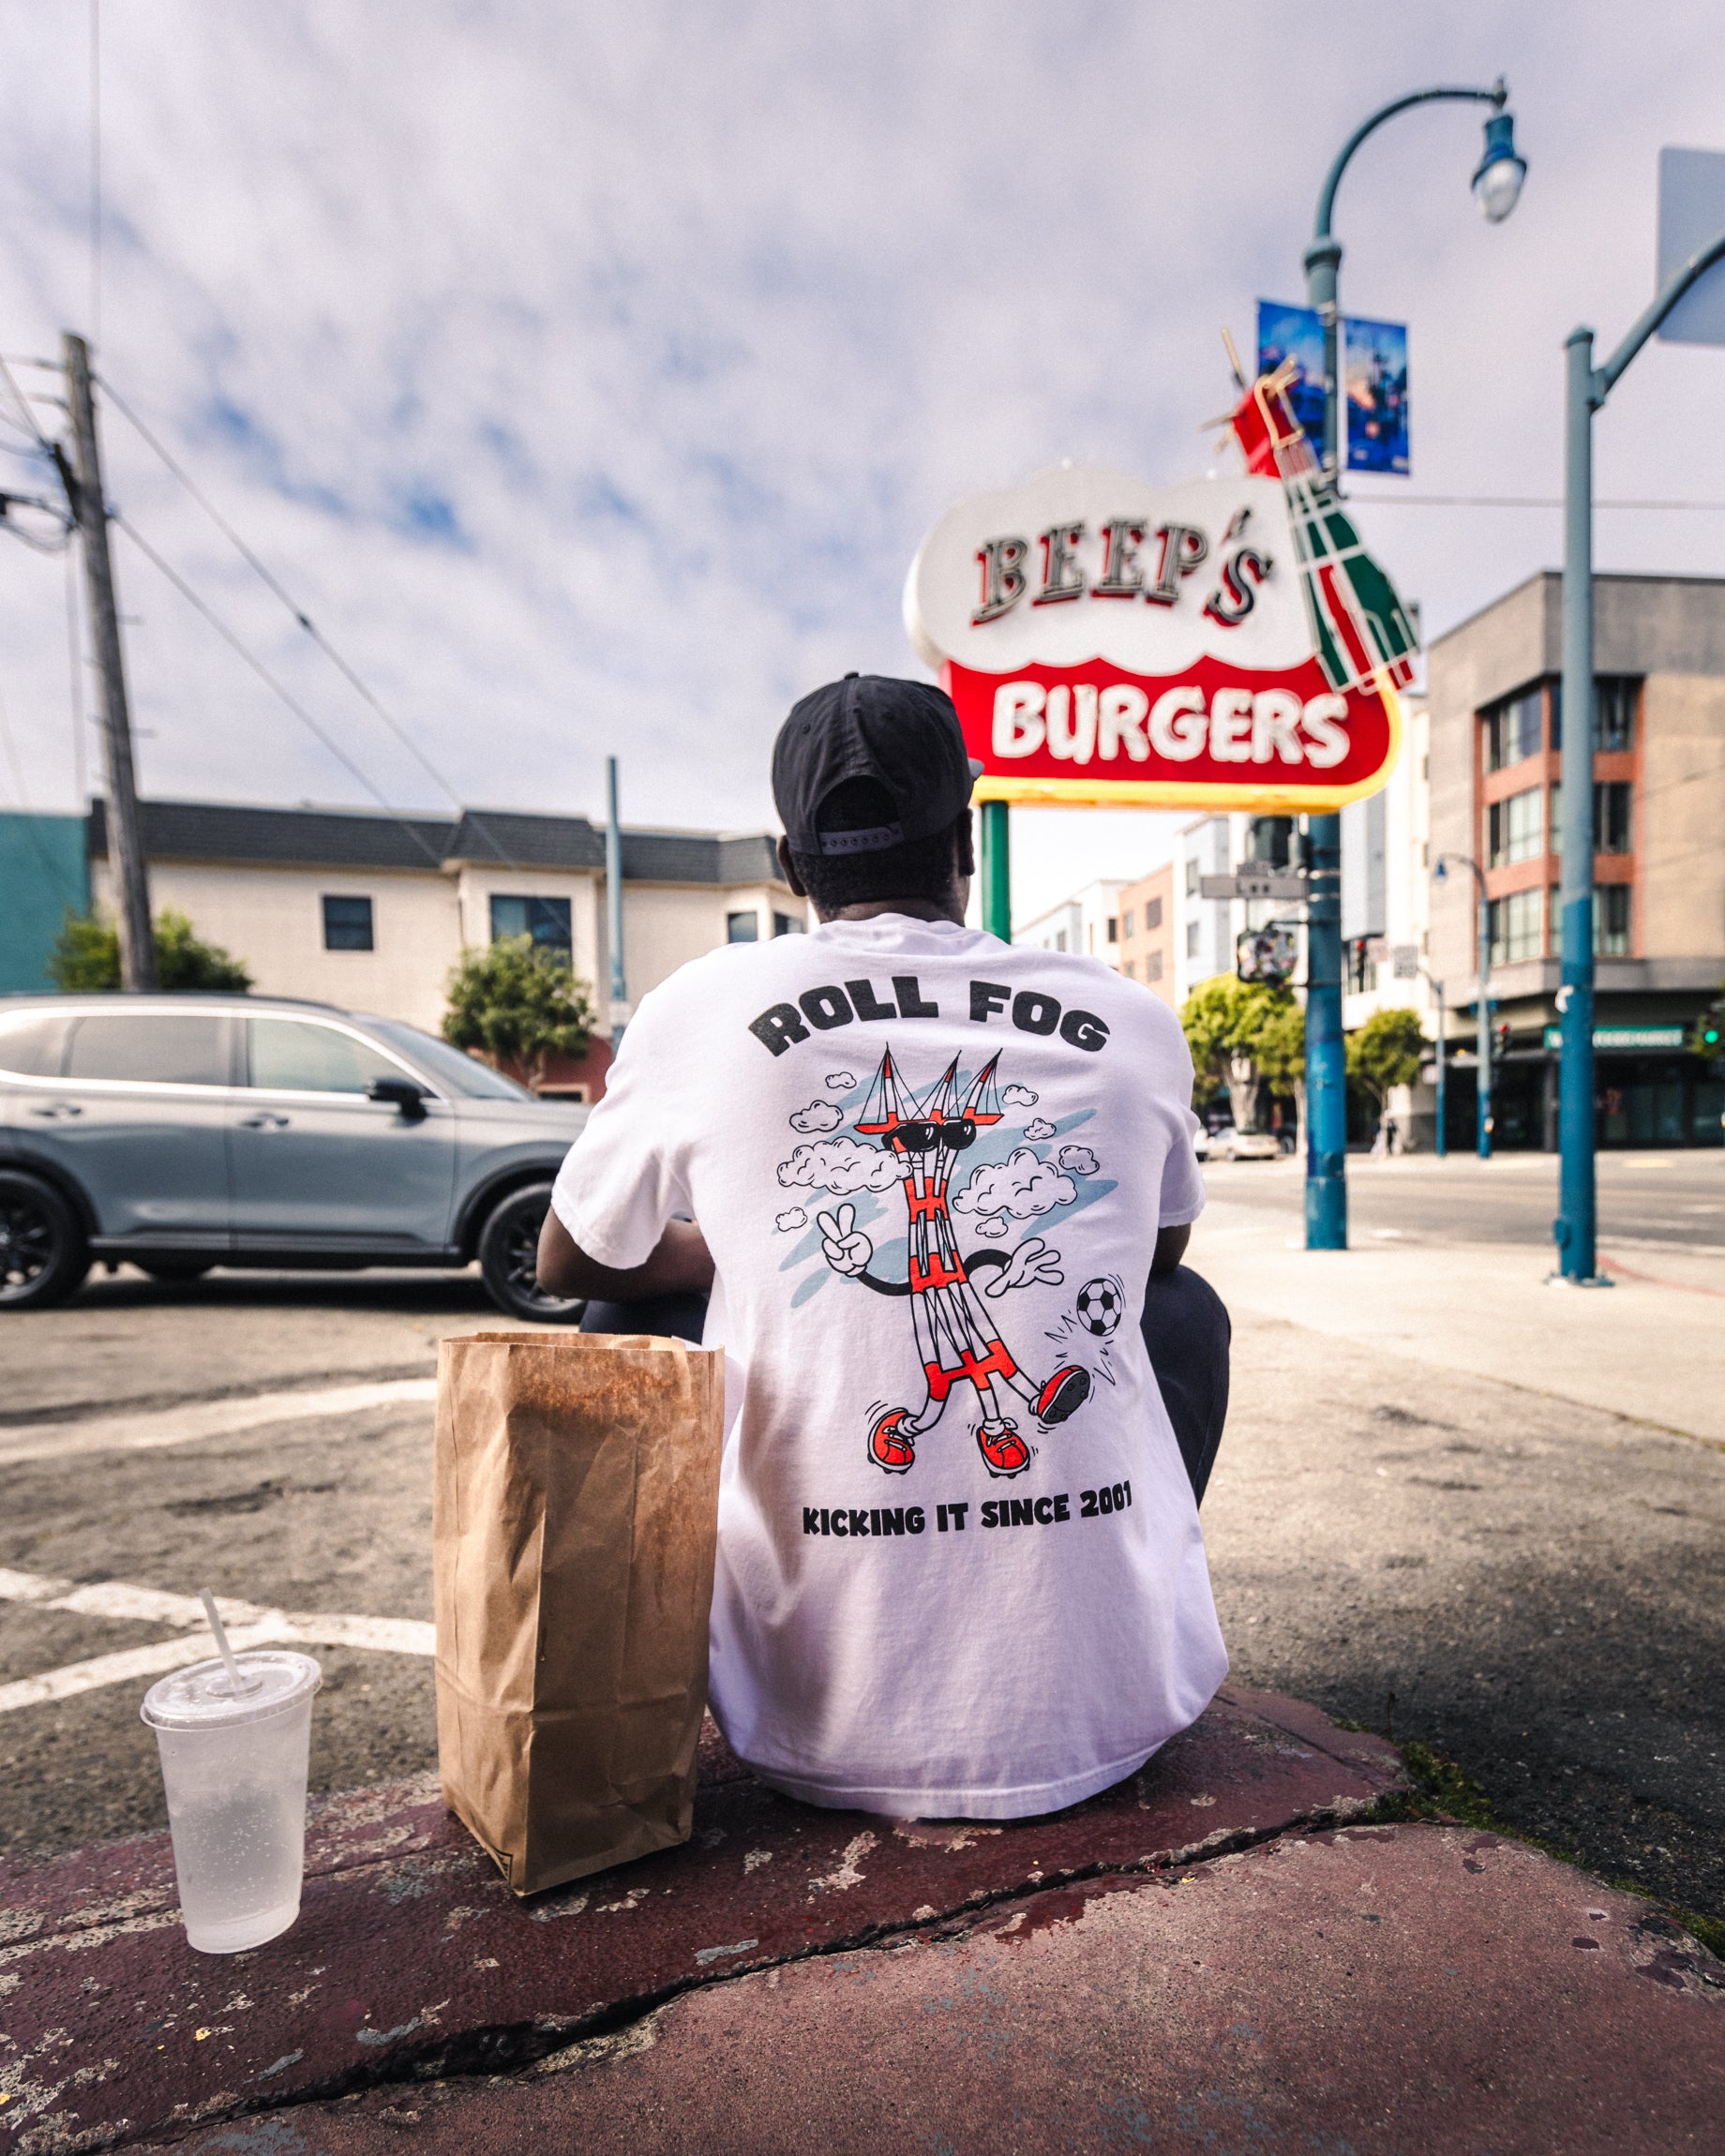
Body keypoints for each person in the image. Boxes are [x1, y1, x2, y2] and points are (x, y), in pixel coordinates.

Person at [538, 673, 1229, 1820]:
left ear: (790, 862)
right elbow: (1155, 1252)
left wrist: (736, 1255)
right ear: (965, 834)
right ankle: (1089, 1604)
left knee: (622, 1322)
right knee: (1184, 1312)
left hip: (800, 1736)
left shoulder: (703, 1004)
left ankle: (780, 1628)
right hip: (1118, 1728)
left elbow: (572, 1260)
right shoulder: (1129, 1016)